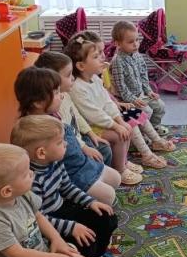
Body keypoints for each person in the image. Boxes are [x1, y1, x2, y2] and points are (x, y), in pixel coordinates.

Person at [9, 115, 126, 257]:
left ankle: (97, 256)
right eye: (60, 142)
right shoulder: (30, 181)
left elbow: (67, 187)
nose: (66, 144)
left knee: (106, 217)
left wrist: (90, 202)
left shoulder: (55, 161)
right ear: (42, 153)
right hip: (48, 223)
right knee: (82, 240)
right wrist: (71, 227)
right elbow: (38, 218)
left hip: (62, 207)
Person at [14, 66, 120, 204]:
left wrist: (84, 147)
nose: (62, 96)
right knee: (109, 196)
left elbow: (72, 134)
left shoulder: (54, 113)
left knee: (116, 178)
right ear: (38, 102)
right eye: (56, 93)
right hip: (71, 174)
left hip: (80, 161)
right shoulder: (33, 130)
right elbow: (50, 170)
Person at [66, 32, 170, 171]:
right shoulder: (78, 87)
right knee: (127, 126)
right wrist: (117, 124)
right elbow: (94, 114)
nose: (103, 57)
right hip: (94, 126)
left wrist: (119, 121)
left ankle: (156, 142)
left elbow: (107, 101)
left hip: (106, 119)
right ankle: (141, 157)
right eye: (96, 55)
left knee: (136, 114)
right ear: (81, 65)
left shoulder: (95, 79)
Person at [33, 51, 115, 169]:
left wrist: (91, 134)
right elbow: (67, 135)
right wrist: (84, 147)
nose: (72, 78)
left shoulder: (66, 94)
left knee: (104, 150)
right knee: (97, 157)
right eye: (68, 75)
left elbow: (76, 115)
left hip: (81, 137)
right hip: (72, 145)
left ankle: (102, 173)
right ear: (52, 79)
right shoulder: (54, 106)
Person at [109, 20, 174, 140]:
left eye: (137, 40)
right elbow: (121, 86)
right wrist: (133, 99)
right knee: (147, 111)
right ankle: (142, 134)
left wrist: (148, 91)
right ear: (118, 43)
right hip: (127, 99)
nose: (135, 44)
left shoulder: (137, 55)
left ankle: (154, 127)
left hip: (142, 94)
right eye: (130, 42)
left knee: (160, 106)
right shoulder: (118, 61)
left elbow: (144, 76)